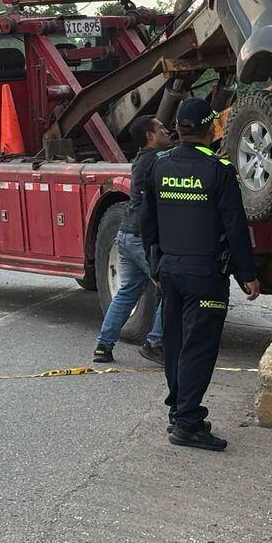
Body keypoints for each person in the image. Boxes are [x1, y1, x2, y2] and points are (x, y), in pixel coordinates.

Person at [139, 97, 260, 452]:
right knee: (198, 349)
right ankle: (188, 423)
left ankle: (179, 412)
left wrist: (155, 265)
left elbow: (147, 222)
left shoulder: (159, 165)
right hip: (205, 274)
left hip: (170, 270)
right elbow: (234, 226)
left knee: (175, 344)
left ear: (177, 128)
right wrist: (248, 273)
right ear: (211, 129)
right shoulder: (218, 169)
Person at [93, 116, 172, 363]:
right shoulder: (159, 160)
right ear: (150, 136)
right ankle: (155, 343)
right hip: (141, 239)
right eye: (161, 129)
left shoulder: (141, 159)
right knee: (172, 287)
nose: (167, 131)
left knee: (127, 291)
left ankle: (103, 346)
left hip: (126, 234)